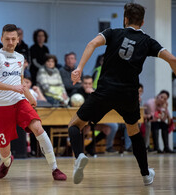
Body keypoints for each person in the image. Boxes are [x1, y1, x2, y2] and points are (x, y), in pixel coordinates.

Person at [67, 3, 176, 185]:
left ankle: (79, 155)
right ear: (142, 22)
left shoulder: (112, 33)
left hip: (105, 91)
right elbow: (172, 59)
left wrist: (79, 69)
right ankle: (145, 174)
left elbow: (91, 44)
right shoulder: (148, 41)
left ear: (125, 19)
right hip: (129, 95)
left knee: (75, 125)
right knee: (133, 132)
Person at [0, 24, 66, 180]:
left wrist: (29, 96)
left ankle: (55, 169)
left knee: (38, 128)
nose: (10, 42)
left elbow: (20, 82)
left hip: (19, 101)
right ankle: (7, 162)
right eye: (7, 39)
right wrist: (12, 87)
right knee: (4, 150)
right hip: (1, 107)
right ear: (1, 39)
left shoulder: (20, 57)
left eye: (13, 39)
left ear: (18, 40)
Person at [74, 75, 118, 155]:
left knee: (107, 129)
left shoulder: (95, 92)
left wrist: (93, 94)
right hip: (82, 120)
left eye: (89, 84)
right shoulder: (77, 92)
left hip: (93, 119)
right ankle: (78, 149)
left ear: (92, 84)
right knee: (86, 128)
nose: (87, 86)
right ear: (82, 84)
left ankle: (90, 147)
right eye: (85, 83)